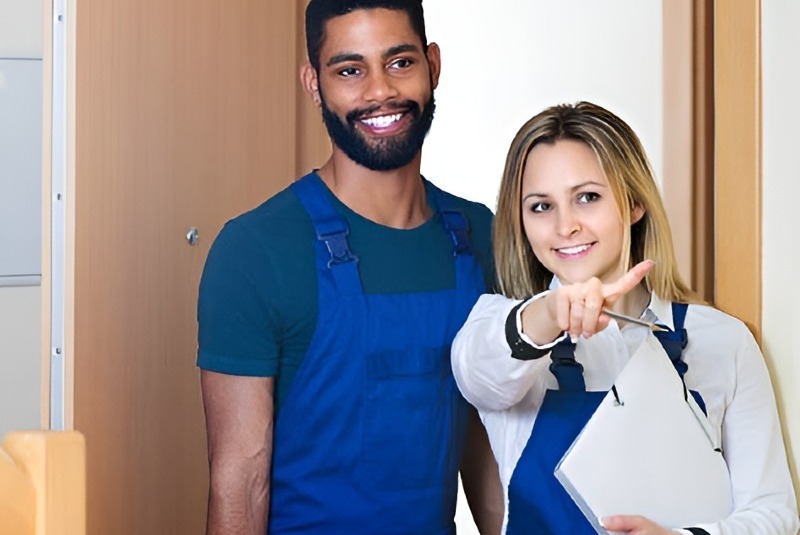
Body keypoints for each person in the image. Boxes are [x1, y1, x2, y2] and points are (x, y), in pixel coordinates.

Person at [196, 0, 503, 533]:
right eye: (350, 70)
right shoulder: (256, 249)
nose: (380, 90)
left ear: (433, 65)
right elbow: (240, 480)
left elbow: (488, 448)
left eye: (400, 62)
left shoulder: (480, 234)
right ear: (313, 82)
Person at [451, 101, 799, 535]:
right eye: (541, 206)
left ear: (634, 203)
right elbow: (480, 371)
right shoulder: (499, 330)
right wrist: (553, 311)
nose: (565, 226)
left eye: (588, 197)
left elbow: (774, 515)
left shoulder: (722, 341)